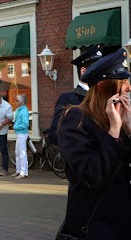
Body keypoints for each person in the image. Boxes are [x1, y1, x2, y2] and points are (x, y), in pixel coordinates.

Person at [57, 48, 131, 239]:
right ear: (101, 86)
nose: (128, 87)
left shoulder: (122, 118)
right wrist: (114, 131)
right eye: (122, 82)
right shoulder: (75, 118)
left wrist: (129, 130)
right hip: (96, 226)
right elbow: (93, 176)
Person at [49, 44, 103, 145]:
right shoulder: (68, 99)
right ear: (83, 71)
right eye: (98, 69)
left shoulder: (104, 98)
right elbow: (53, 135)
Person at [12, 94, 29, 179]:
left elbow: (26, 124)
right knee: (17, 152)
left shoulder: (24, 111)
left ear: (21, 102)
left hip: (22, 133)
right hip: (19, 133)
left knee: (22, 153)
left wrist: (16, 126)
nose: (16, 102)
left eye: (17, 101)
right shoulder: (19, 110)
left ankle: (23, 172)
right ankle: (18, 170)